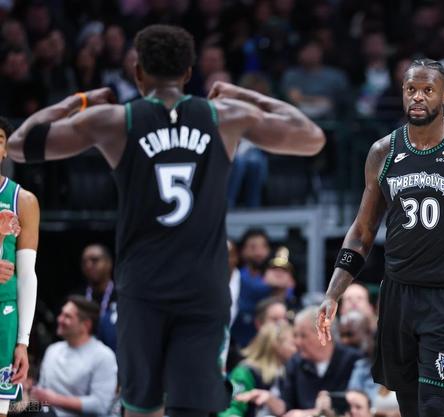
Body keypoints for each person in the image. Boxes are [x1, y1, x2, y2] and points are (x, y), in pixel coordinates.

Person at [7, 24, 325, 417]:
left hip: (143, 287)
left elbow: (19, 145)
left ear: (138, 73)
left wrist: (80, 100)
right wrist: (245, 95)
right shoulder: (224, 116)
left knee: (142, 408)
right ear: (189, 73)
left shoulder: (115, 120)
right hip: (202, 287)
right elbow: (312, 137)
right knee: (194, 409)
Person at [317, 58, 444, 417]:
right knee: (411, 406)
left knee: (434, 406)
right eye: (411, 89)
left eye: (428, 90)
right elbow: (363, 231)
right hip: (399, 293)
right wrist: (333, 292)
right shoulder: (383, 152)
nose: (417, 97)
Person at [0, 117, 39, 416]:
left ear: (5, 150)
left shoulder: (22, 200)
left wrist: (23, 342)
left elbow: (26, 276)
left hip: (4, 317)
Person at [31, 296, 117, 417]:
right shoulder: (52, 350)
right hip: (43, 413)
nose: (59, 319)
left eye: (67, 316)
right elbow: (41, 396)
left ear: (86, 325)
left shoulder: (103, 356)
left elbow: (101, 405)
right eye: (61, 314)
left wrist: (55, 400)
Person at [220, 322, 296, 417]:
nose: (296, 349)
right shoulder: (246, 371)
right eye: (293, 344)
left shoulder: (286, 372)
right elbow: (231, 408)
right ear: (276, 344)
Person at [77, 243, 117, 352]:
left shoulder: (122, 296)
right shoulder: (76, 298)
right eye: (84, 262)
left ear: (109, 263)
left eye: (94, 260)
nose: (89, 265)